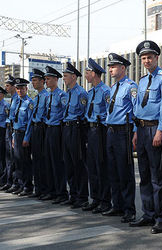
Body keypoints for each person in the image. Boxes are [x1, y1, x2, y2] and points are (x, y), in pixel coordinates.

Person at [130, 40, 162, 234]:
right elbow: (137, 107)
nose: (146, 60)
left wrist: (161, 130)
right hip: (141, 129)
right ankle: (148, 214)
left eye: (150, 57)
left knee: (158, 177)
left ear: (157, 57)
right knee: (145, 176)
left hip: (155, 129)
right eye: (144, 58)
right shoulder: (142, 80)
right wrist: (134, 130)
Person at [104, 53, 137, 223]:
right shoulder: (113, 88)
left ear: (123, 68)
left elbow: (136, 110)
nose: (110, 69)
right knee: (113, 171)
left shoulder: (130, 86)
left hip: (123, 131)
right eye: (110, 66)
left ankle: (129, 209)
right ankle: (116, 205)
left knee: (125, 172)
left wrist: (135, 132)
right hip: (110, 131)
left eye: (114, 66)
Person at [82, 58, 112, 214]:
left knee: (101, 167)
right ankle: (95, 198)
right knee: (92, 166)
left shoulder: (105, 91)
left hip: (101, 131)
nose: (85, 75)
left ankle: (105, 200)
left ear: (93, 73)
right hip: (91, 130)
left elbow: (109, 112)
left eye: (87, 72)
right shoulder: (90, 92)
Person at [61, 62, 89, 208]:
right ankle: (73, 194)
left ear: (73, 76)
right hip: (66, 128)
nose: (64, 78)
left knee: (78, 163)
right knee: (69, 164)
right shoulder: (67, 94)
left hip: (76, 129)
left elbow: (85, 114)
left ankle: (82, 196)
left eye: (65, 76)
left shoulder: (81, 93)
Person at [41, 66, 68, 204]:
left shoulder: (62, 95)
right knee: (48, 161)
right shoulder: (48, 95)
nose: (46, 81)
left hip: (57, 129)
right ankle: (51, 191)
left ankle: (61, 192)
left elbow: (65, 114)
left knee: (57, 162)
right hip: (48, 129)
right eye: (45, 79)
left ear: (56, 79)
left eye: (48, 78)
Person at [25, 68, 48, 199]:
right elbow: (30, 118)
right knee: (36, 161)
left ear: (42, 81)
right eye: (32, 81)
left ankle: (44, 189)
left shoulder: (46, 96)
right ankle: (38, 188)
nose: (33, 83)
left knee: (42, 161)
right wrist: (28, 136)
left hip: (42, 129)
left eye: (35, 80)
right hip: (35, 129)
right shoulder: (36, 98)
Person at [12, 78, 34, 196]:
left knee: (25, 161)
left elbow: (30, 122)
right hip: (17, 133)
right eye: (17, 88)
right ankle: (20, 184)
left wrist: (27, 137)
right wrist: (13, 137)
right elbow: (14, 121)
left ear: (26, 89)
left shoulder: (29, 103)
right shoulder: (16, 102)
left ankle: (27, 186)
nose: (20, 90)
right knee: (18, 161)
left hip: (24, 133)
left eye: (22, 88)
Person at [2, 75, 21, 193]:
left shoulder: (18, 99)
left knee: (15, 159)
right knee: (9, 158)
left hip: (15, 130)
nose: (6, 88)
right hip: (9, 129)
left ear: (14, 87)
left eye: (8, 85)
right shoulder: (13, 99)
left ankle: (16, 183)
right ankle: (10, 181)